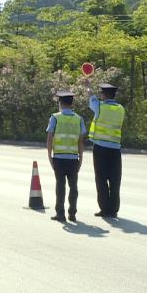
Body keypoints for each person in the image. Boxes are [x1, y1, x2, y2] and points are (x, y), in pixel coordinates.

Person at [46, 90, 86, 223]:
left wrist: (49, 156)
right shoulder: (79, 119)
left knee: (60, 186)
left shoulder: (55, 117)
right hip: (73, 159)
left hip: (59, 158)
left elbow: (49, 138)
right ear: (72, 103)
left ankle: (60, 214)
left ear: (60, 103)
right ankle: (72, 213)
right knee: (73, 187)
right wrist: (81, 158)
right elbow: (81, 140)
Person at [87, 83, 126, 218]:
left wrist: (88, 85)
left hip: (100, 148)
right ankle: (114, 209)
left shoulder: (100, 106)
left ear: (104, 95)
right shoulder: (121, 109)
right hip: (115, 149)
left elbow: (91, 98)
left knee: (101, 179)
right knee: (115, 180)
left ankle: (104, 208)